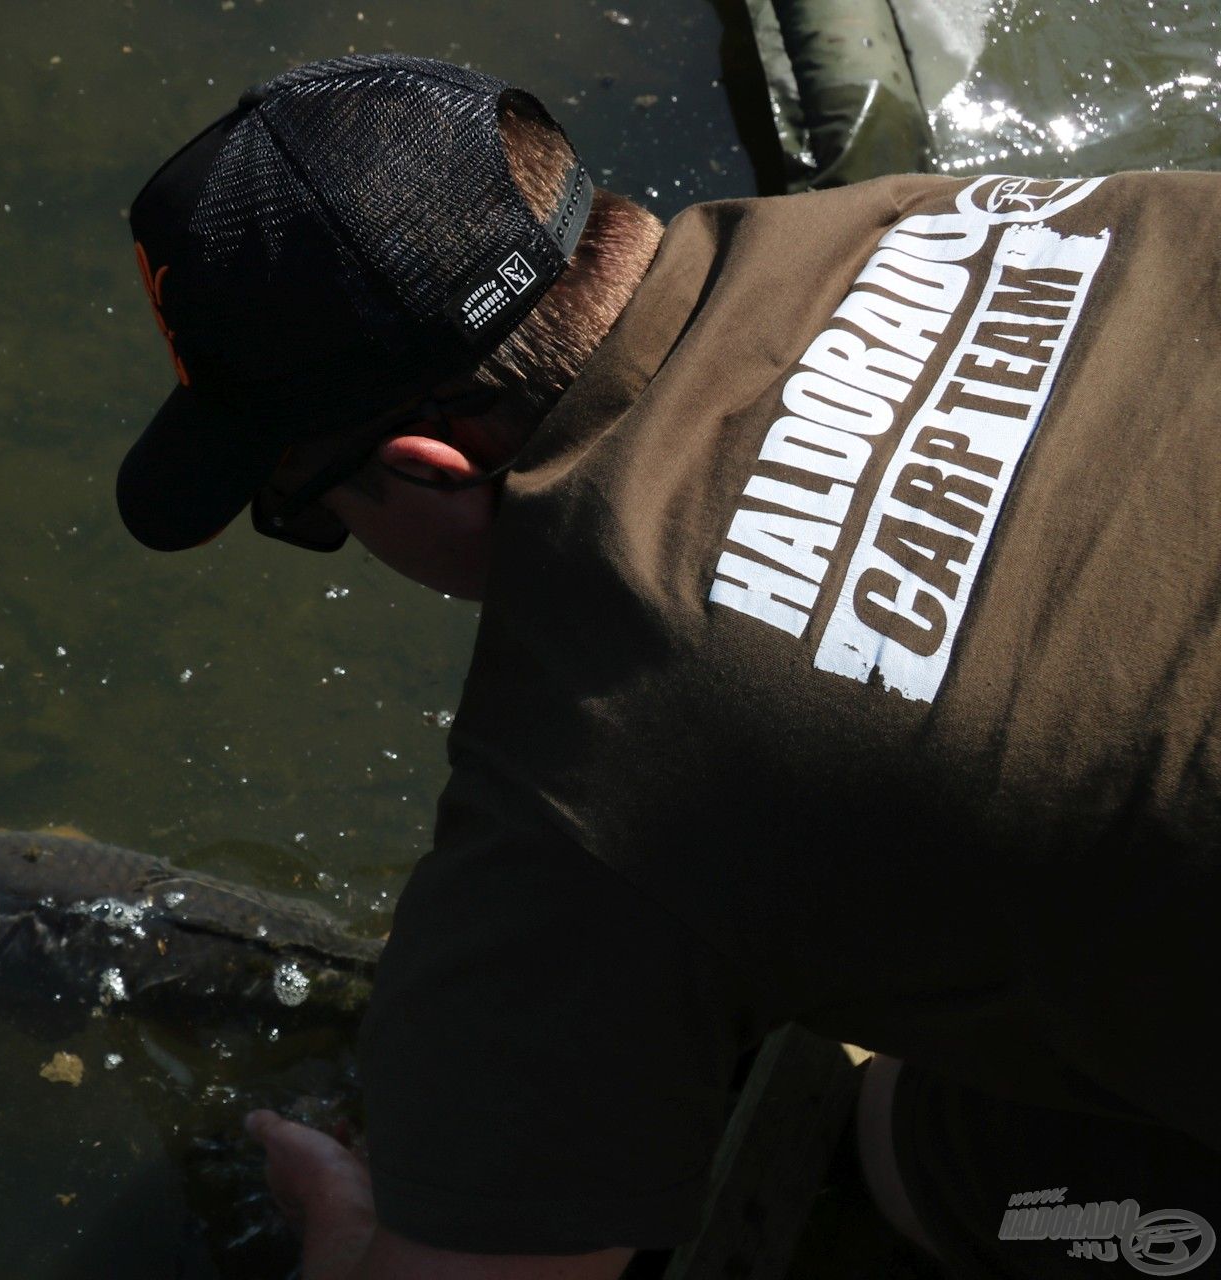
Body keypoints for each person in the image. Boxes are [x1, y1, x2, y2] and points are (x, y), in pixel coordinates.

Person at [114, 53, 1221, 1280]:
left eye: (302, 507)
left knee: (944, 1173)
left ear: (427, 467)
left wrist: (349, 1238)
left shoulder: (582, 779)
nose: (323, 538)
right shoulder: (951, 213)